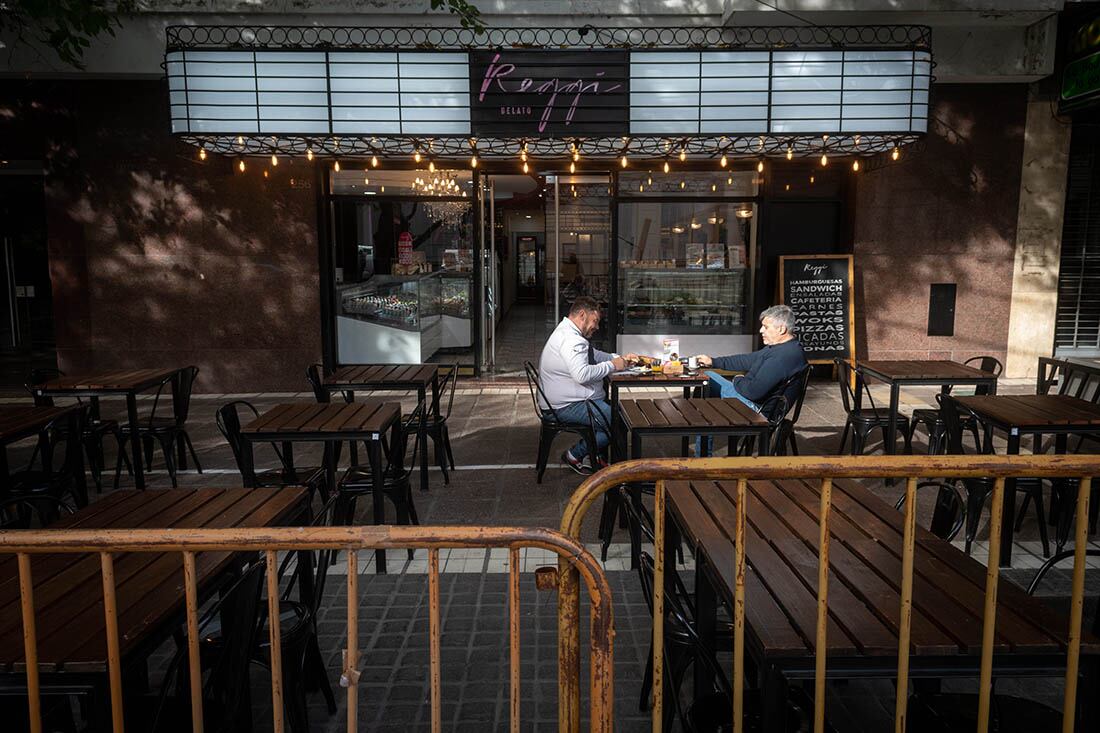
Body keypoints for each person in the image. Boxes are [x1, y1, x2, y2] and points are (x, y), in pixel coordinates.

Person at [538, 296, 638, 474]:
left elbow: (593, 354)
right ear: (582, 315)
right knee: (619, 421)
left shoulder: (567, 332)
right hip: (564, 407)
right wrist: (613, 365)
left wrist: (617, 358)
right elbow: (582, 375)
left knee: (612, 414)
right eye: (595, 321)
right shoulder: (572, 339)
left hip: (560, 401)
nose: (597, 327)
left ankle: (593, 455)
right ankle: (583, 457)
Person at [694, 305, 807, 454]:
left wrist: (737, 379)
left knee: (707, 379)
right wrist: (713, 361)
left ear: (781, 329)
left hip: (758, 410)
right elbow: (748, 360)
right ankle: (706, 424)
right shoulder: (782, 347)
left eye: (766, 327)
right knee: (706, 396)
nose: (761, 330)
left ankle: (701, 442)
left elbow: (753, 392)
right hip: (759, 403)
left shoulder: (782, 357)